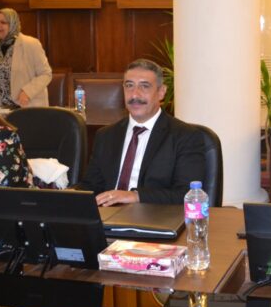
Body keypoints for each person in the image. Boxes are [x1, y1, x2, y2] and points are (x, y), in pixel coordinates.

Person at [75, 59, 206, 206]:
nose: (135, 95)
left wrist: (135, 196)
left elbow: (187, 194)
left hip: (154, 216)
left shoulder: (185, 136)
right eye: (129, 86)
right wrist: (66, 194)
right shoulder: (106, 135)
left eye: (144, 86)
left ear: (161, 92)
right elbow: (91, 186)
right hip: (108, 215)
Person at [0, 8, 52, 108]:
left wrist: (28, 92)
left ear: (13, 24)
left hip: (28, 107)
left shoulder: (31, 44)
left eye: (3, 22)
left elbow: (46, 74)